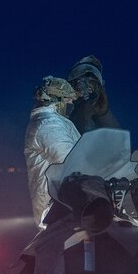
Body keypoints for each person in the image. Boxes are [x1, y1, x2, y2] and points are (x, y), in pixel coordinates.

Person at [24, 76, 80, 228]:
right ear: (57, 101)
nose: (70, 105)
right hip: (56, 208)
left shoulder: (52, 121)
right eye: (68, 101)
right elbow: (71, 160)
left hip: (64, 204)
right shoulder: (49, 124)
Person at [66, 55, 121, 133]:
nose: (85, 90)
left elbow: (117, 138)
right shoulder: (57, 110)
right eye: (80, 82)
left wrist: (103, 113)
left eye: (92, 83)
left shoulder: (97, 109)